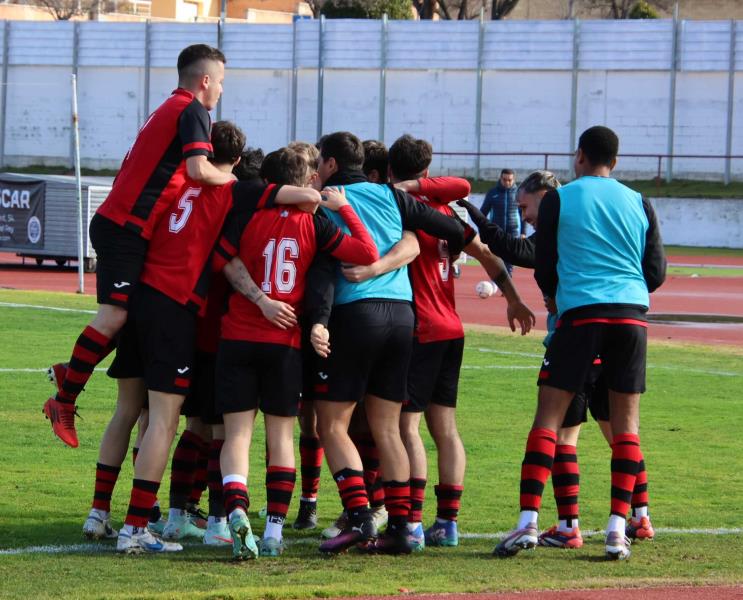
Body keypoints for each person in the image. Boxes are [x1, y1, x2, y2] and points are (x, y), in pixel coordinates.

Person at [106, 123, 322, 554]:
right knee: (225, 430)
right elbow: (351, 251)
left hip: (176, 318)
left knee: (170, 422)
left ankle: (166, 514)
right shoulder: (245, 203)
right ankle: (224, 522)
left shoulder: (184, 187)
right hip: (231, 331)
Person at [43, 44, 233, 449]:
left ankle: (68, 373)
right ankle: (64, 399)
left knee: (131, 316)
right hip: (124, 228)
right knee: (114, 316)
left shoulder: (169, 107)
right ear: (205, 81)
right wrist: (236, 183)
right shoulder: (193, 110)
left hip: (124, 226)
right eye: (220, 82)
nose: (220, 90)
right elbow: (198, 169)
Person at [491, 126, 666, 561]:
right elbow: (656, 271)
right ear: (616, 161)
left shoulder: (560, 198)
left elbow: (545, 262)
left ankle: (528, 523)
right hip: (631, 316)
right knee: (626, 428)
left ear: (580, 156)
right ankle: (617, 529)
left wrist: (555, 296)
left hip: (581, 314)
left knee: (548, 420)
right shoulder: (639, 200)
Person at [214, 146, 380, 560]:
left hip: (238, 334)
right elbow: (367, 253)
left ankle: (237, 510)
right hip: (284, 342)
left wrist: (260, 300)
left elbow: (223, 260)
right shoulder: (316, 223)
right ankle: (273, 531)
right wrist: (344, 209)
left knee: (237, 436)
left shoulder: (248, 212)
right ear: (304, 180)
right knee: (281, 437)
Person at [311, 131, 466, 555]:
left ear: (330, 164)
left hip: (355, 314)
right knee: (387, 427)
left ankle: (360, 517)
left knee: (332, 425)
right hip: (402, 316)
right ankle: (403, 527)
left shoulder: (328, 200)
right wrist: (450, 250)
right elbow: (454, 228)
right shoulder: (391, 196)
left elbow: (324, 268)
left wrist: (319, 321)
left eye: (320, 162)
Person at [388, 135, 535, 550]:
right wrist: (514, 299)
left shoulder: (401, 209)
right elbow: (487, 254)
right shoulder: (445, 213)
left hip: (421, 329)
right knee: (446, 430)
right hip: (452, 329)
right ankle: (447, 523)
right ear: (427, 171)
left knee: (406, 427)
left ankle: (412, 523)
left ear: (392, 171)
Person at [479, 168, 521, 277]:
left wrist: (524, 232)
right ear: (500, 178)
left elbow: (524, 214)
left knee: (510, 257)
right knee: (497, 258)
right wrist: (484, 230)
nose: (507, 182)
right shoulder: (492, 193)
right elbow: (482, 213)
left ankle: (508, 278)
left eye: (509, 180)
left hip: (513, 231)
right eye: (504, 179)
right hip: (497, 231)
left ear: (514, 180)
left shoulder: (519, 193)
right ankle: (498, 280)